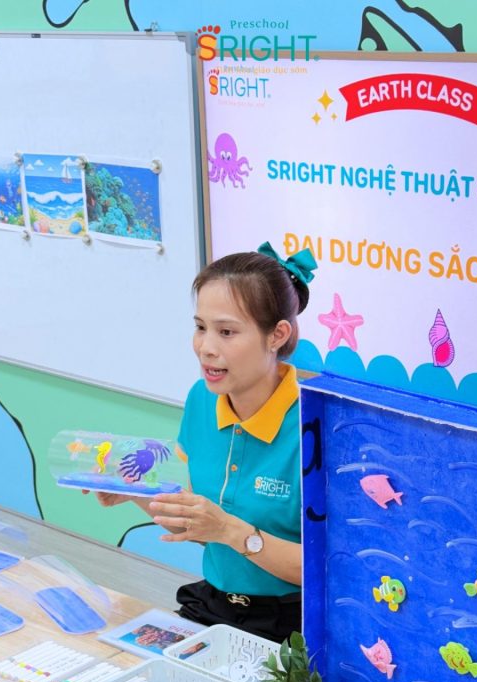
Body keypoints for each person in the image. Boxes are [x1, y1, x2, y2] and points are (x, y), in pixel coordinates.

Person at [95, 241, 316, 643]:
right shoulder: (202, 399)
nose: (206, 348)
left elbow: (324, 570)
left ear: (277, 335)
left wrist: (231, 530)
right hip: (213, 605)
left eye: (226, 332)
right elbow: (201, 527)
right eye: (200, 327)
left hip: (294, 623)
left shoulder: (314, 426)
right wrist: (134, 491)